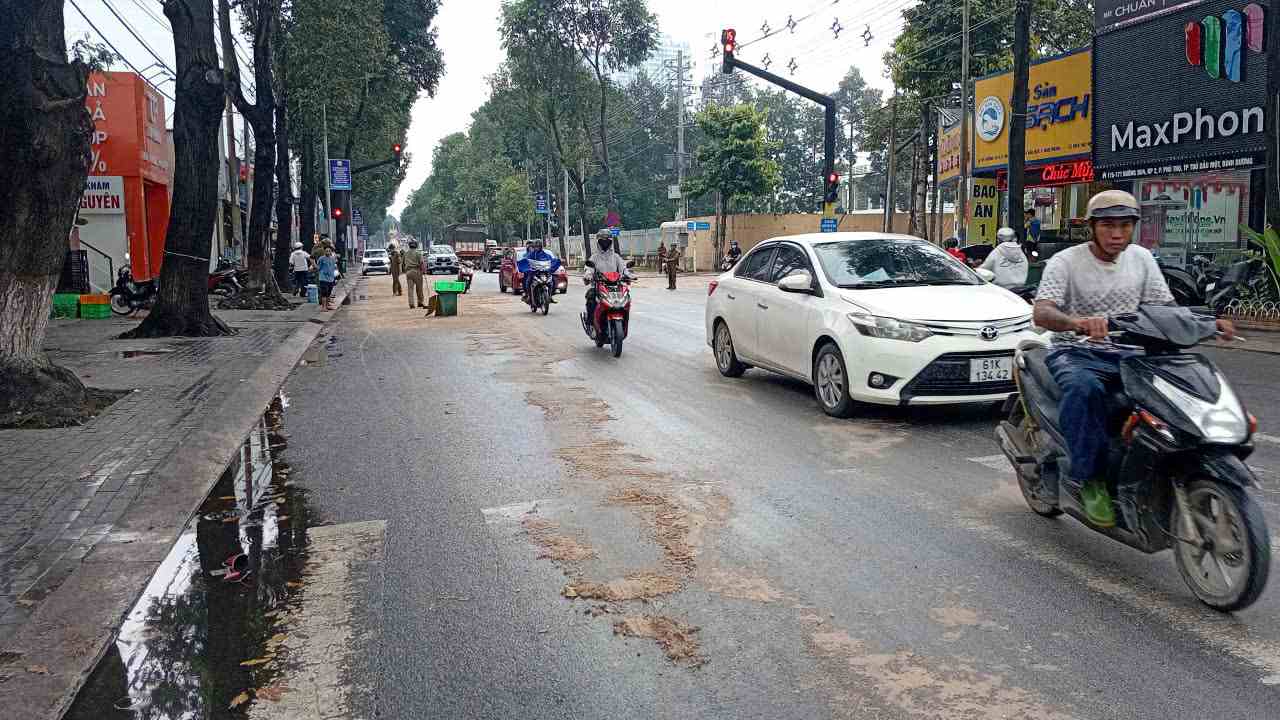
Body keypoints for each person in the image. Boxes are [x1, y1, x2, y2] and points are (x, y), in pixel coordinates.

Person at [1033, 190, 1234, 527]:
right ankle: (1089, 478)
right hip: (1078, 352)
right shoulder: (1065, 262)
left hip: (1134, 353)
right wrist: (1077, 323)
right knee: (1084, 390)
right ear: (1092, 227)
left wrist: (1207, 323)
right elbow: (1043, 311)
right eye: (1109, 225)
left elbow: (1164, 309)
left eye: (1125, 226)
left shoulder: (1141, 259)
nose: (1117, 234)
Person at [584, 229, 632, 319]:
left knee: (627, 297)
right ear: (598, 242)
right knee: (590, 297)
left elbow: (623, 268)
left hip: (615, 287)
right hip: (599, 286)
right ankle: (591, 321)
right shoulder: (594, 257)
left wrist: (628, 275)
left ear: (611, 242)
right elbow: (589, 269)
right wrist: (588, 275)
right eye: (602, 241)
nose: (605, 243)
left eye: (607, 241)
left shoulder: (616, 257)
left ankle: (624, 319)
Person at [517, 238, 561, 305]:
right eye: (536, 247)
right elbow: (526, 260)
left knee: (554, 280)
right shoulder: (531, 254)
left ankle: (550, 296)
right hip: (535, 273)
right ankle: (529, 296)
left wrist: (557, 261)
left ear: (541, 247)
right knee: (528, 281)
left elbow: (552, 261)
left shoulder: (546, 255)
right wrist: (526, 266)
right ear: (534, 247)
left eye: (539, 246)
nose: (537, 248)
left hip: (545, 273)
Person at [402, 239, 426, 309]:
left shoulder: (405, 253)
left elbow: (403, 264)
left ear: (409, 245)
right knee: (419, 288)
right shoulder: (418, 253)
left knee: (410, 289)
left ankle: (411, 304)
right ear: (416, 245)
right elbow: (421, 263)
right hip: (416, 271)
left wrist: (404, 271)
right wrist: (424, 271)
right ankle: (420, 302)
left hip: (408, 272)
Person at [316, 244, 338, 311]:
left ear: (331, 252)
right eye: (326, 251)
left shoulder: (333, 258)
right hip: (323, 278)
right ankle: (323, 307)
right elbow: (318, 267)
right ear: (324, 252)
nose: (328, 252)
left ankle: (328, 305)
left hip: (331, 278)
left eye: (329, 251)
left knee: (329, 293)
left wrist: (336, 272)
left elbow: (334, 267)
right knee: (324, 293)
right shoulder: (321, 258)